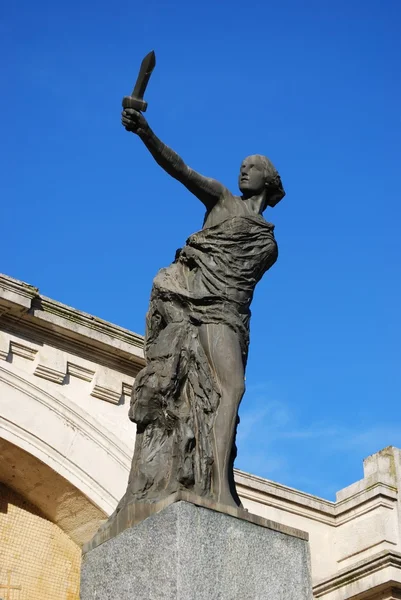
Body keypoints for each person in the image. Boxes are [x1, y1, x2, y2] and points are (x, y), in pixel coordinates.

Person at [118, 108, 285, 510]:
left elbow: (240, 287)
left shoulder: (268, 242)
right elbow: (181, 169)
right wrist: (146, 132)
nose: (244, 171)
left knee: (221, 393)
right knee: (233, 387)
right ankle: (221, 490)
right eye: (242, 166)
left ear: (269, 179)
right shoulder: (221, 199)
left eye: (253, 167)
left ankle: (217, 479)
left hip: (232, 316)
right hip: (202, 307)